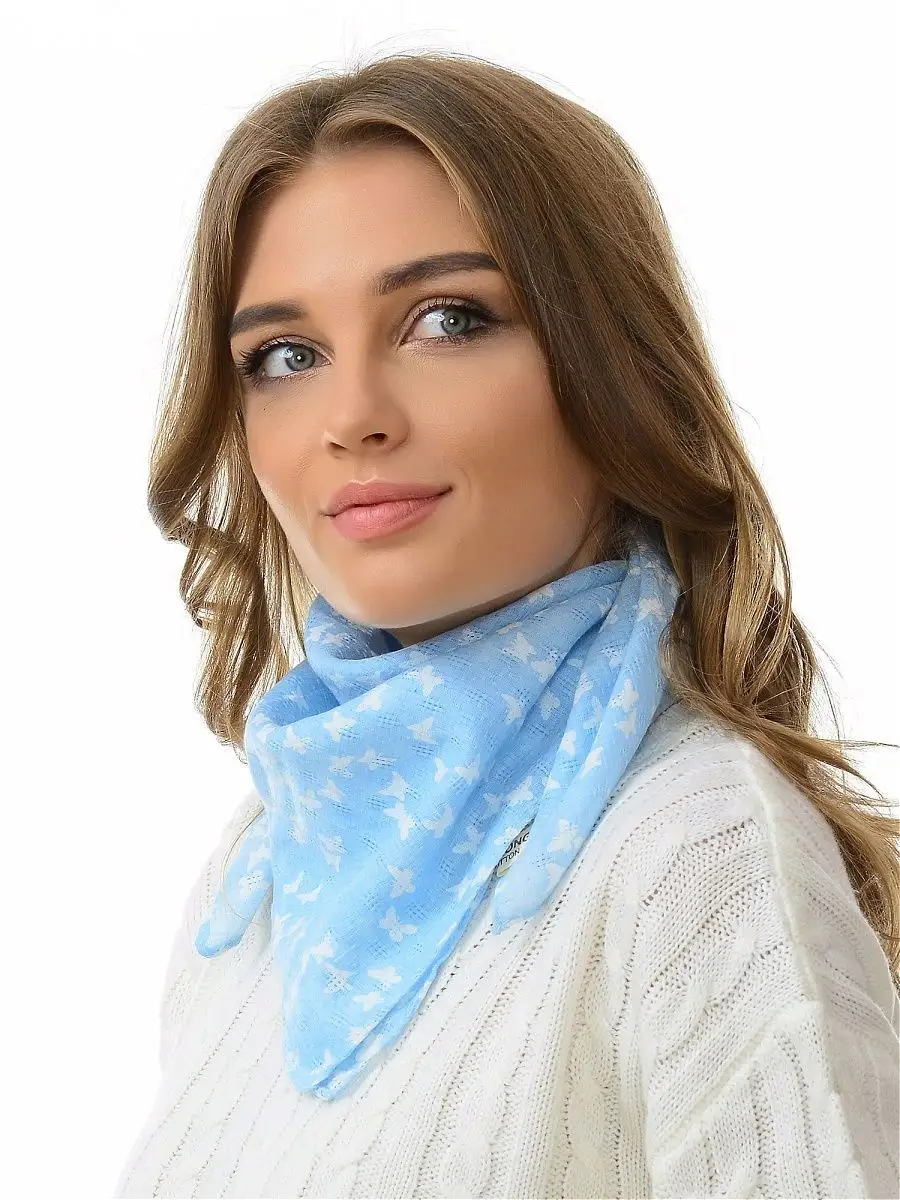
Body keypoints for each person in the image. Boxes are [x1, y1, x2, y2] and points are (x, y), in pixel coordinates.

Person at [113, 50, 899, 1200]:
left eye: (447, 320)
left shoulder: (697, 852)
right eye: (286, 356)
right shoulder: (262, 873)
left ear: (610, 367)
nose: (352, 416)